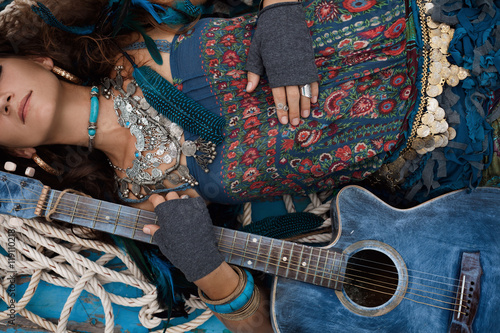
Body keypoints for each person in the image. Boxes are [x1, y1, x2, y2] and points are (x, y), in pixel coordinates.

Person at [0, 0, 499, 331]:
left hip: (448, 16)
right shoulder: (142, 203)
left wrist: (279, 12)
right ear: (18, 154)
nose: (1, 102)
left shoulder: (129, 25)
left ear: (35, 60)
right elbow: (268, 323)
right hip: (453, 139)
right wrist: (208, 269)